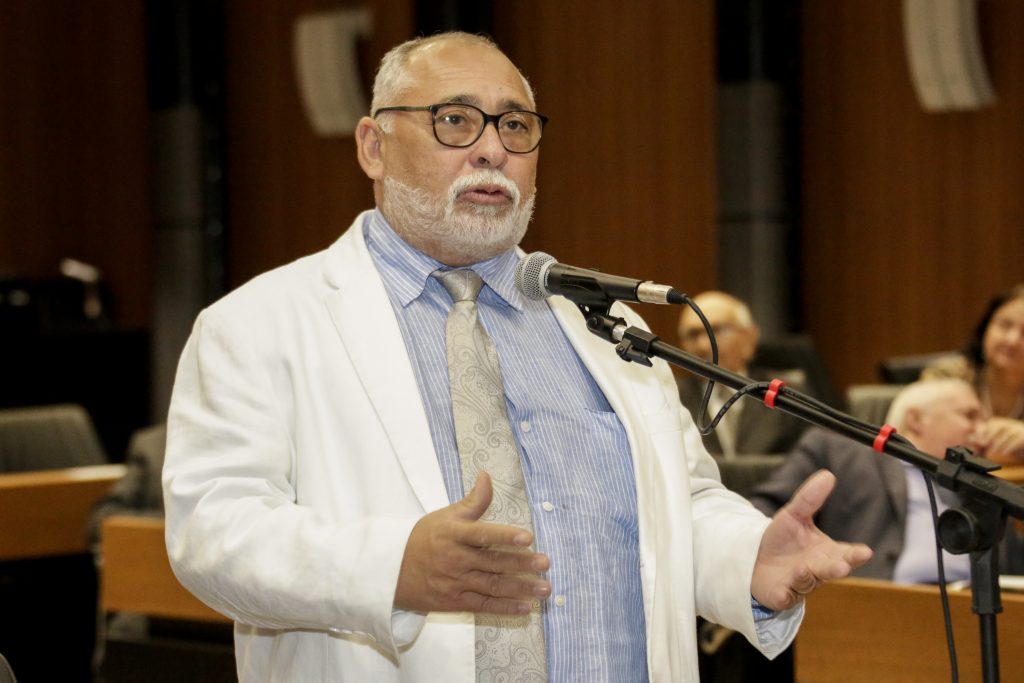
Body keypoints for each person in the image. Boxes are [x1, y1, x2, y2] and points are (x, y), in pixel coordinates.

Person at [161, 32, 870, 682]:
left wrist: (749, 557)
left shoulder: (604, 326)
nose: (491, 150)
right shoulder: (258, 325)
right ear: (373, 146)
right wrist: (393, 567)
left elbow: (676, 508)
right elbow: (213, 531)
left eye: (516, 126)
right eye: (454, 120)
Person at [748, 378, 1024, 582]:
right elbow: (761, 511)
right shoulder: (838, 452)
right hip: (876, 611)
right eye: (970, 416)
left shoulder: (981, 486)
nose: (983, 430)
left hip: (977, 616)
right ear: (916, 420)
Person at [677, 291, 809, 457]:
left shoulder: (785, 396)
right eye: (692, 335)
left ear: (749, 337)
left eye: (714, 330)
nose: (702, 345)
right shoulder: (673, 398)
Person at [922, 284, 1024, 464]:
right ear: (985, 327)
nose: (1012, 340)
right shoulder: (947, 375)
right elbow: (926, 433)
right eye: (1004, 325)